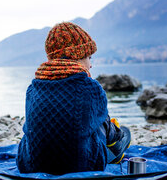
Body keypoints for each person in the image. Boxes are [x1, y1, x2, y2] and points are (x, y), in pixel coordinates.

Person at [17, 22, 131, 174]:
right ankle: (115, 150)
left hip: (30, 166)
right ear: (77, 56)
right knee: (118, 131)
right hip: (82, 166)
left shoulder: (33, 88)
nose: (90, 65)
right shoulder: (90, 87)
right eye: (89, 57)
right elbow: (104, 128)